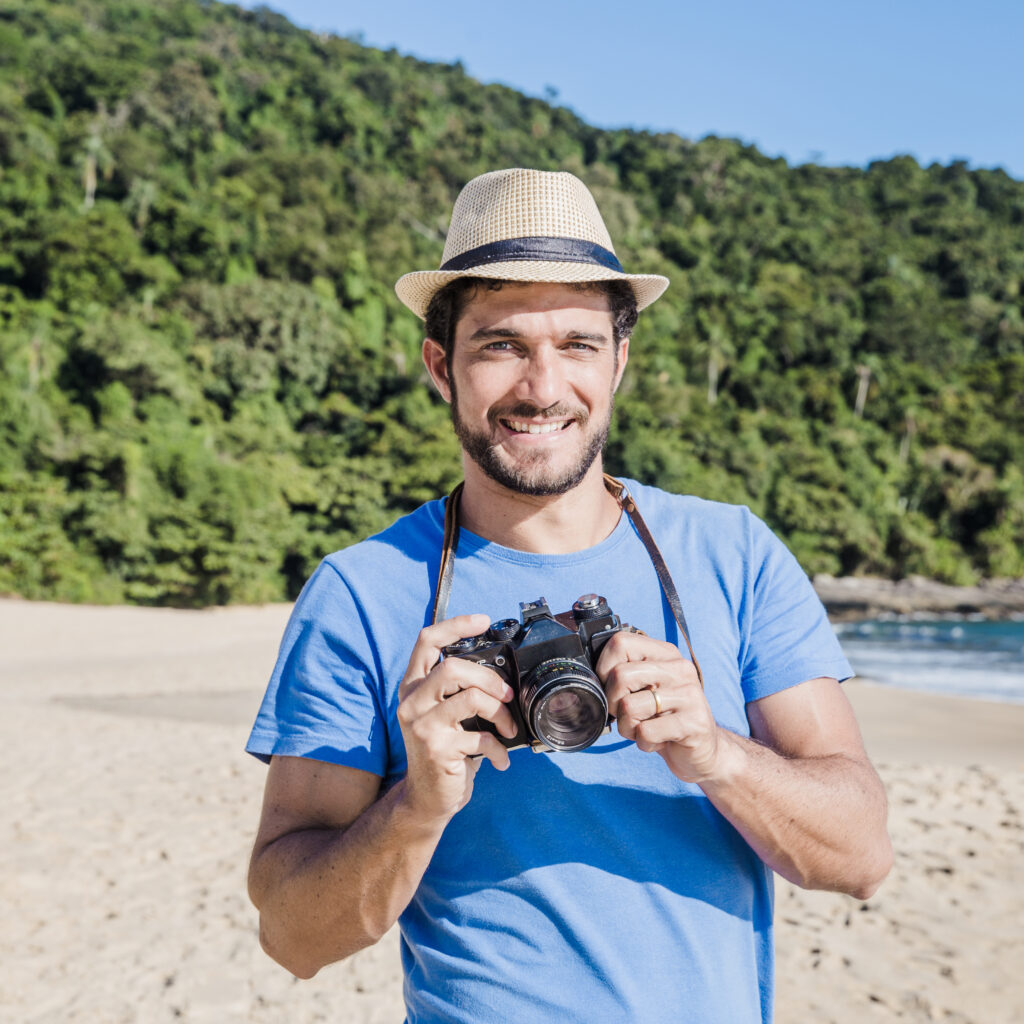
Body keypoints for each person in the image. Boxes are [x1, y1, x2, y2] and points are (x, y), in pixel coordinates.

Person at [246, 167, 892, 1023]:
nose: (543, 388)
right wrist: (417, 806)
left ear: (620, 359)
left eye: (578, 345)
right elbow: (294, 938)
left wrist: (716, 754)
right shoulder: (362, 593)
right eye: (502, 345)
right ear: (442, 366)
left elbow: (861, 858)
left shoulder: (731, 552)